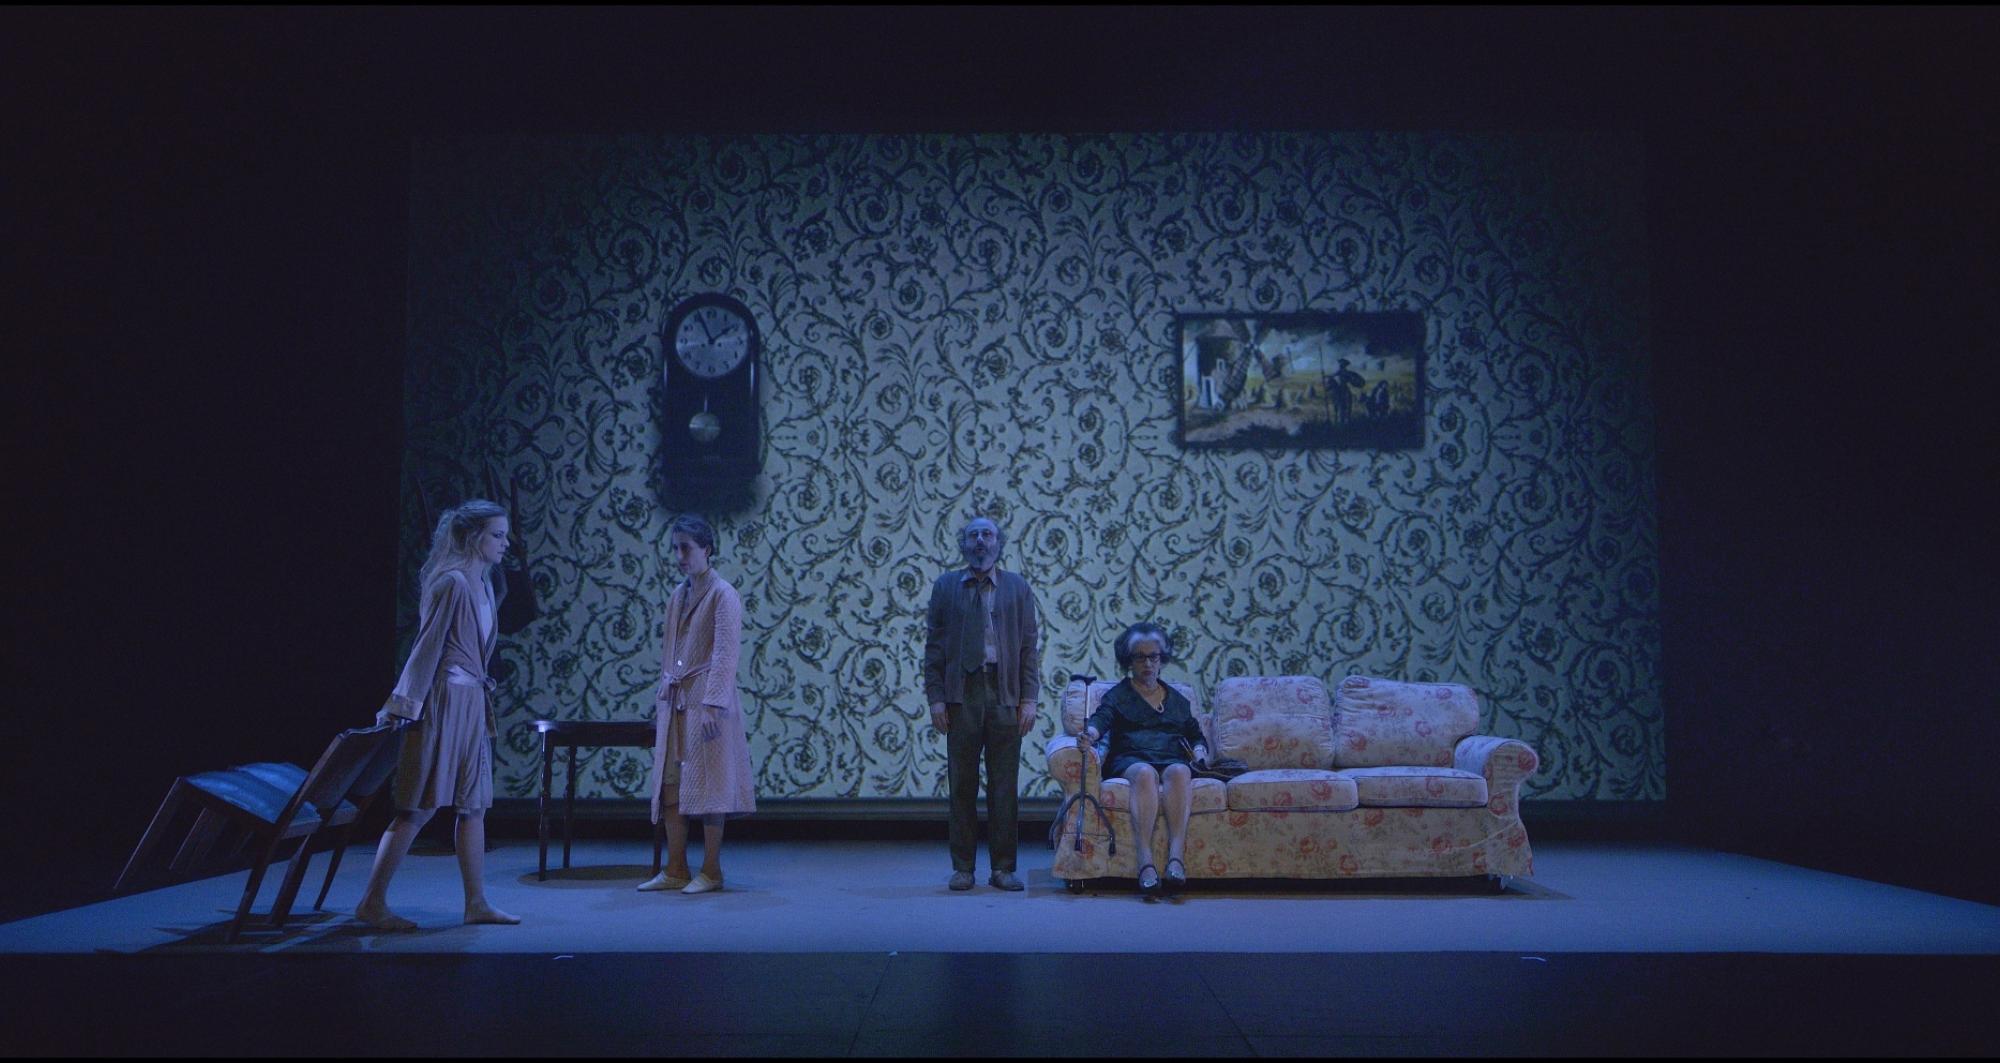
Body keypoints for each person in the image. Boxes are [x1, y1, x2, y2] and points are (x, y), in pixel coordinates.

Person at [355, 499, 521, 929]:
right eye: (497, 535)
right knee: (419, 806)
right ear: (473, 537)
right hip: (444, 702)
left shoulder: (485, 584)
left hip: (471, 703)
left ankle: (476, 903)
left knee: (474, 805)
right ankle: (372, 901)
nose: (505, 543)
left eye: (505, 535)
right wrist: (403, 703)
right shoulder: (453, 583)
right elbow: (426, 647)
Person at [638, 515, 757, 895]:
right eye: (675, 548)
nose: (679, 556)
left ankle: (711, 869)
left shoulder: (723, 594)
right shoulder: (679, 595)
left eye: (686, 548)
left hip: (707, 701)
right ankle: (676, 867)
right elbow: (670, 650)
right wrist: (664, 693)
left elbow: (725, 654)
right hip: (678, 699)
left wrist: (712, 704)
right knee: (671, 784)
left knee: (710, 785)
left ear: (706, 549)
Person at [924, 517, 1040, 892]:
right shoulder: (946, 587)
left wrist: (1029, 698)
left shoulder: (1017, 587)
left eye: (987, 534)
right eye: (973, 535)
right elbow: (934, 648)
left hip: (1005, 692)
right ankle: (963, 868)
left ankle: (1003, 868)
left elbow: (1028, 648)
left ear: (998, 543)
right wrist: (936, 698)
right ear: (963, 545)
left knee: (1004, 786)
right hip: (961, 694)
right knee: (962, 784)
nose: (980, 541)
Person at [1083, 622, 1207, 899]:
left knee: (1180, 771)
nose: (1148, 664)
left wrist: (1200, 751)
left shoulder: (1178, 700)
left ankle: (1176, 858)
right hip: (1131, 758)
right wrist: (1089, 734)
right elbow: (1101, 719)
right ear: (1129, 661)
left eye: (1153, 657)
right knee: (1144, 773)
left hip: (1171, 757)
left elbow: (1196, 735)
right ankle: (1145, 860)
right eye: (1140, 657)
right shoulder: (1119, 695)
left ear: (1162, 659)